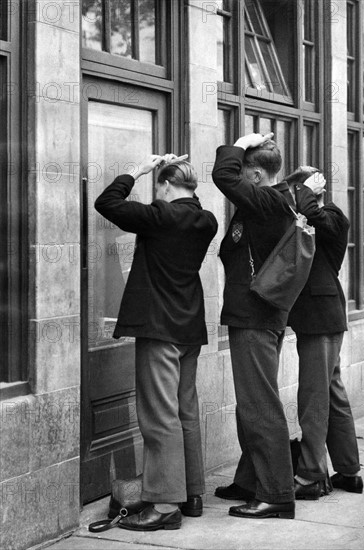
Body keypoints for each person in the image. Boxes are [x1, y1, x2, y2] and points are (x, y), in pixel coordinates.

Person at [95, 154, 218, 531]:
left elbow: (107, 203)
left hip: (159, 328)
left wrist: (137, 170)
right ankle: (191, 493)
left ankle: (165, 505)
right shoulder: (206, 220)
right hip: (188, 327)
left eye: (158, 186)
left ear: (164, 185)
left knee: (159, 415)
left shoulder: (161, 215)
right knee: (185, 411)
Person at [212, 133, 296, 519]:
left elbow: (223, 177)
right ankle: (250, 480)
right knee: (252, 405)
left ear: (257, 176)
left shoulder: (270, 201)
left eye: (246, 172)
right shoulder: (266, 203)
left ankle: (277, 493)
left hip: (256, 317)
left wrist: (241, 141)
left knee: (260, 405)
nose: (240, 181)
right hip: (255, 315)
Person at [282, 166, 364, 499]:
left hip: (322, 318)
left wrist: (304, 189)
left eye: (295, 192)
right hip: (321, 317)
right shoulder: (314, 214)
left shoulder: (332, 216)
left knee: (314, 398)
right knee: (332, 394)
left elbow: (313, 213)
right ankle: (348, 471)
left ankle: (311, 474)